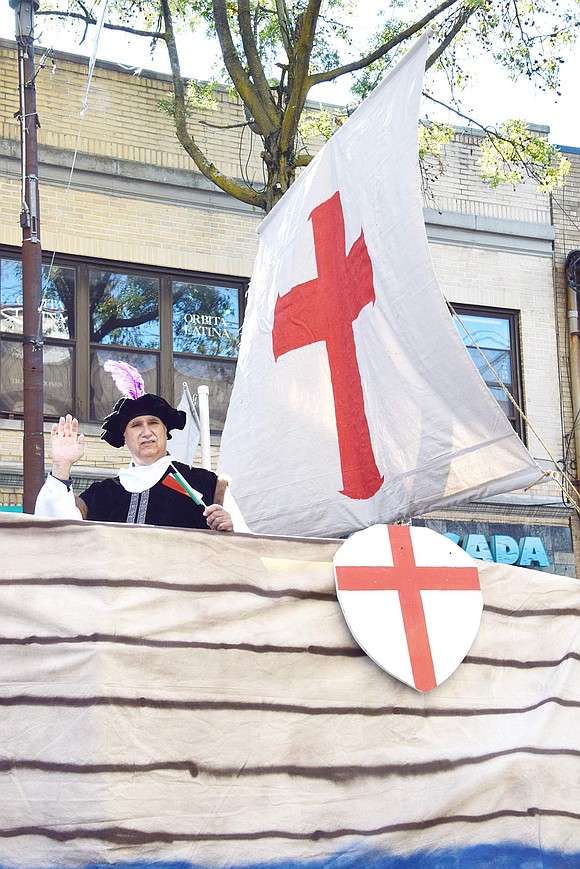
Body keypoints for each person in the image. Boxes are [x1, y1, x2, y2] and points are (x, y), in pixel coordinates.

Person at [35, 392, 246, 532]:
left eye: (153, 423)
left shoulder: (207, 485)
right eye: (136, 425)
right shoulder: (100, 495)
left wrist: (230, 527)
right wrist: (61, 466)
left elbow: (249, 547)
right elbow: (58, 534)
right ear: (124, 437)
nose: (146, 432)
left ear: (165, 431)